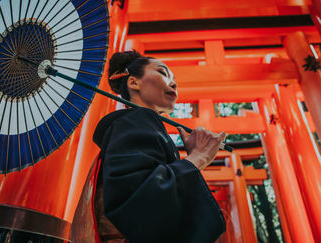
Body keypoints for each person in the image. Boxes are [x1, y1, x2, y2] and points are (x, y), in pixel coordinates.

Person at [74, 50, 227, 243]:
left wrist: (193, 160)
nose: (174, 83)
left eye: (173, 78)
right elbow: (137, 200)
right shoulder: (135, 121)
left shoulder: (139, 124)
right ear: (134, 82)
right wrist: (198, 158)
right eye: (163, 72)